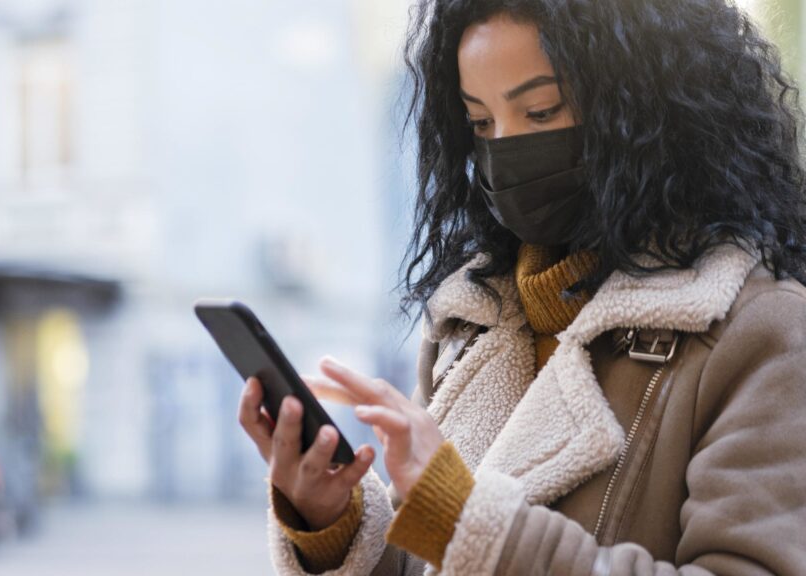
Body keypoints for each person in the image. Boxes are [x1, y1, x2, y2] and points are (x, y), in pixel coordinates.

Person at [237, 0, 806, 573]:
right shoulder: (472, 321)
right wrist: (335, 524)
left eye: (539, 111)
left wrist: (471, 522)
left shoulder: (761, 331)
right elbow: (433, 561)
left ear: (650, 112)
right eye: (481, 123)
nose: (504, 150)